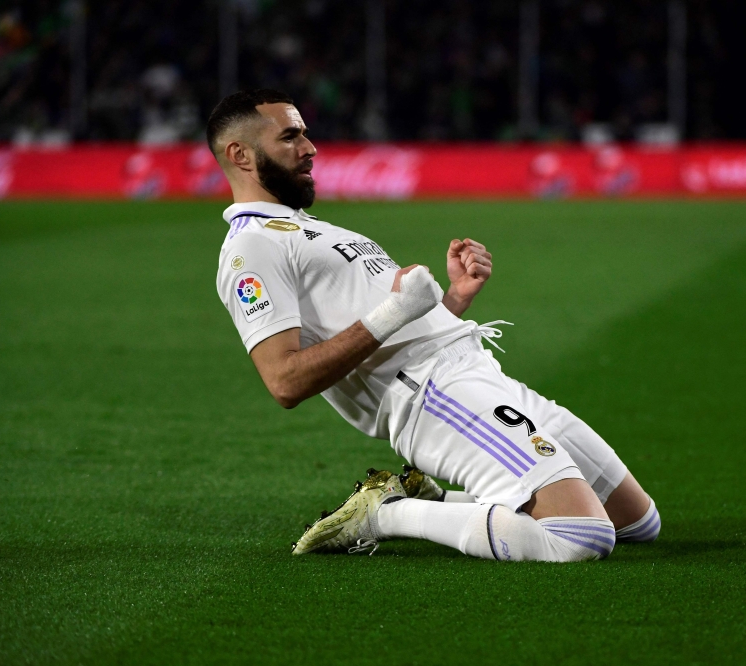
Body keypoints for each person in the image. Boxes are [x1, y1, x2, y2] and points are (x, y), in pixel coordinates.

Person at [209, 89, 661, 562]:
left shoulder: (306, 228)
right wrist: (394, 311)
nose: (310, 147)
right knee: (580, 536)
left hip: (477, 375)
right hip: (430, 396)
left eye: (305, 133)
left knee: (636, 523)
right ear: (240, 155)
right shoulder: (251, 249)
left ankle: (438, 503)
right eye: (290, 136)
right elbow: (284, 380)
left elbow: (397, 333)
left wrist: (451, 301)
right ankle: (386, 514)